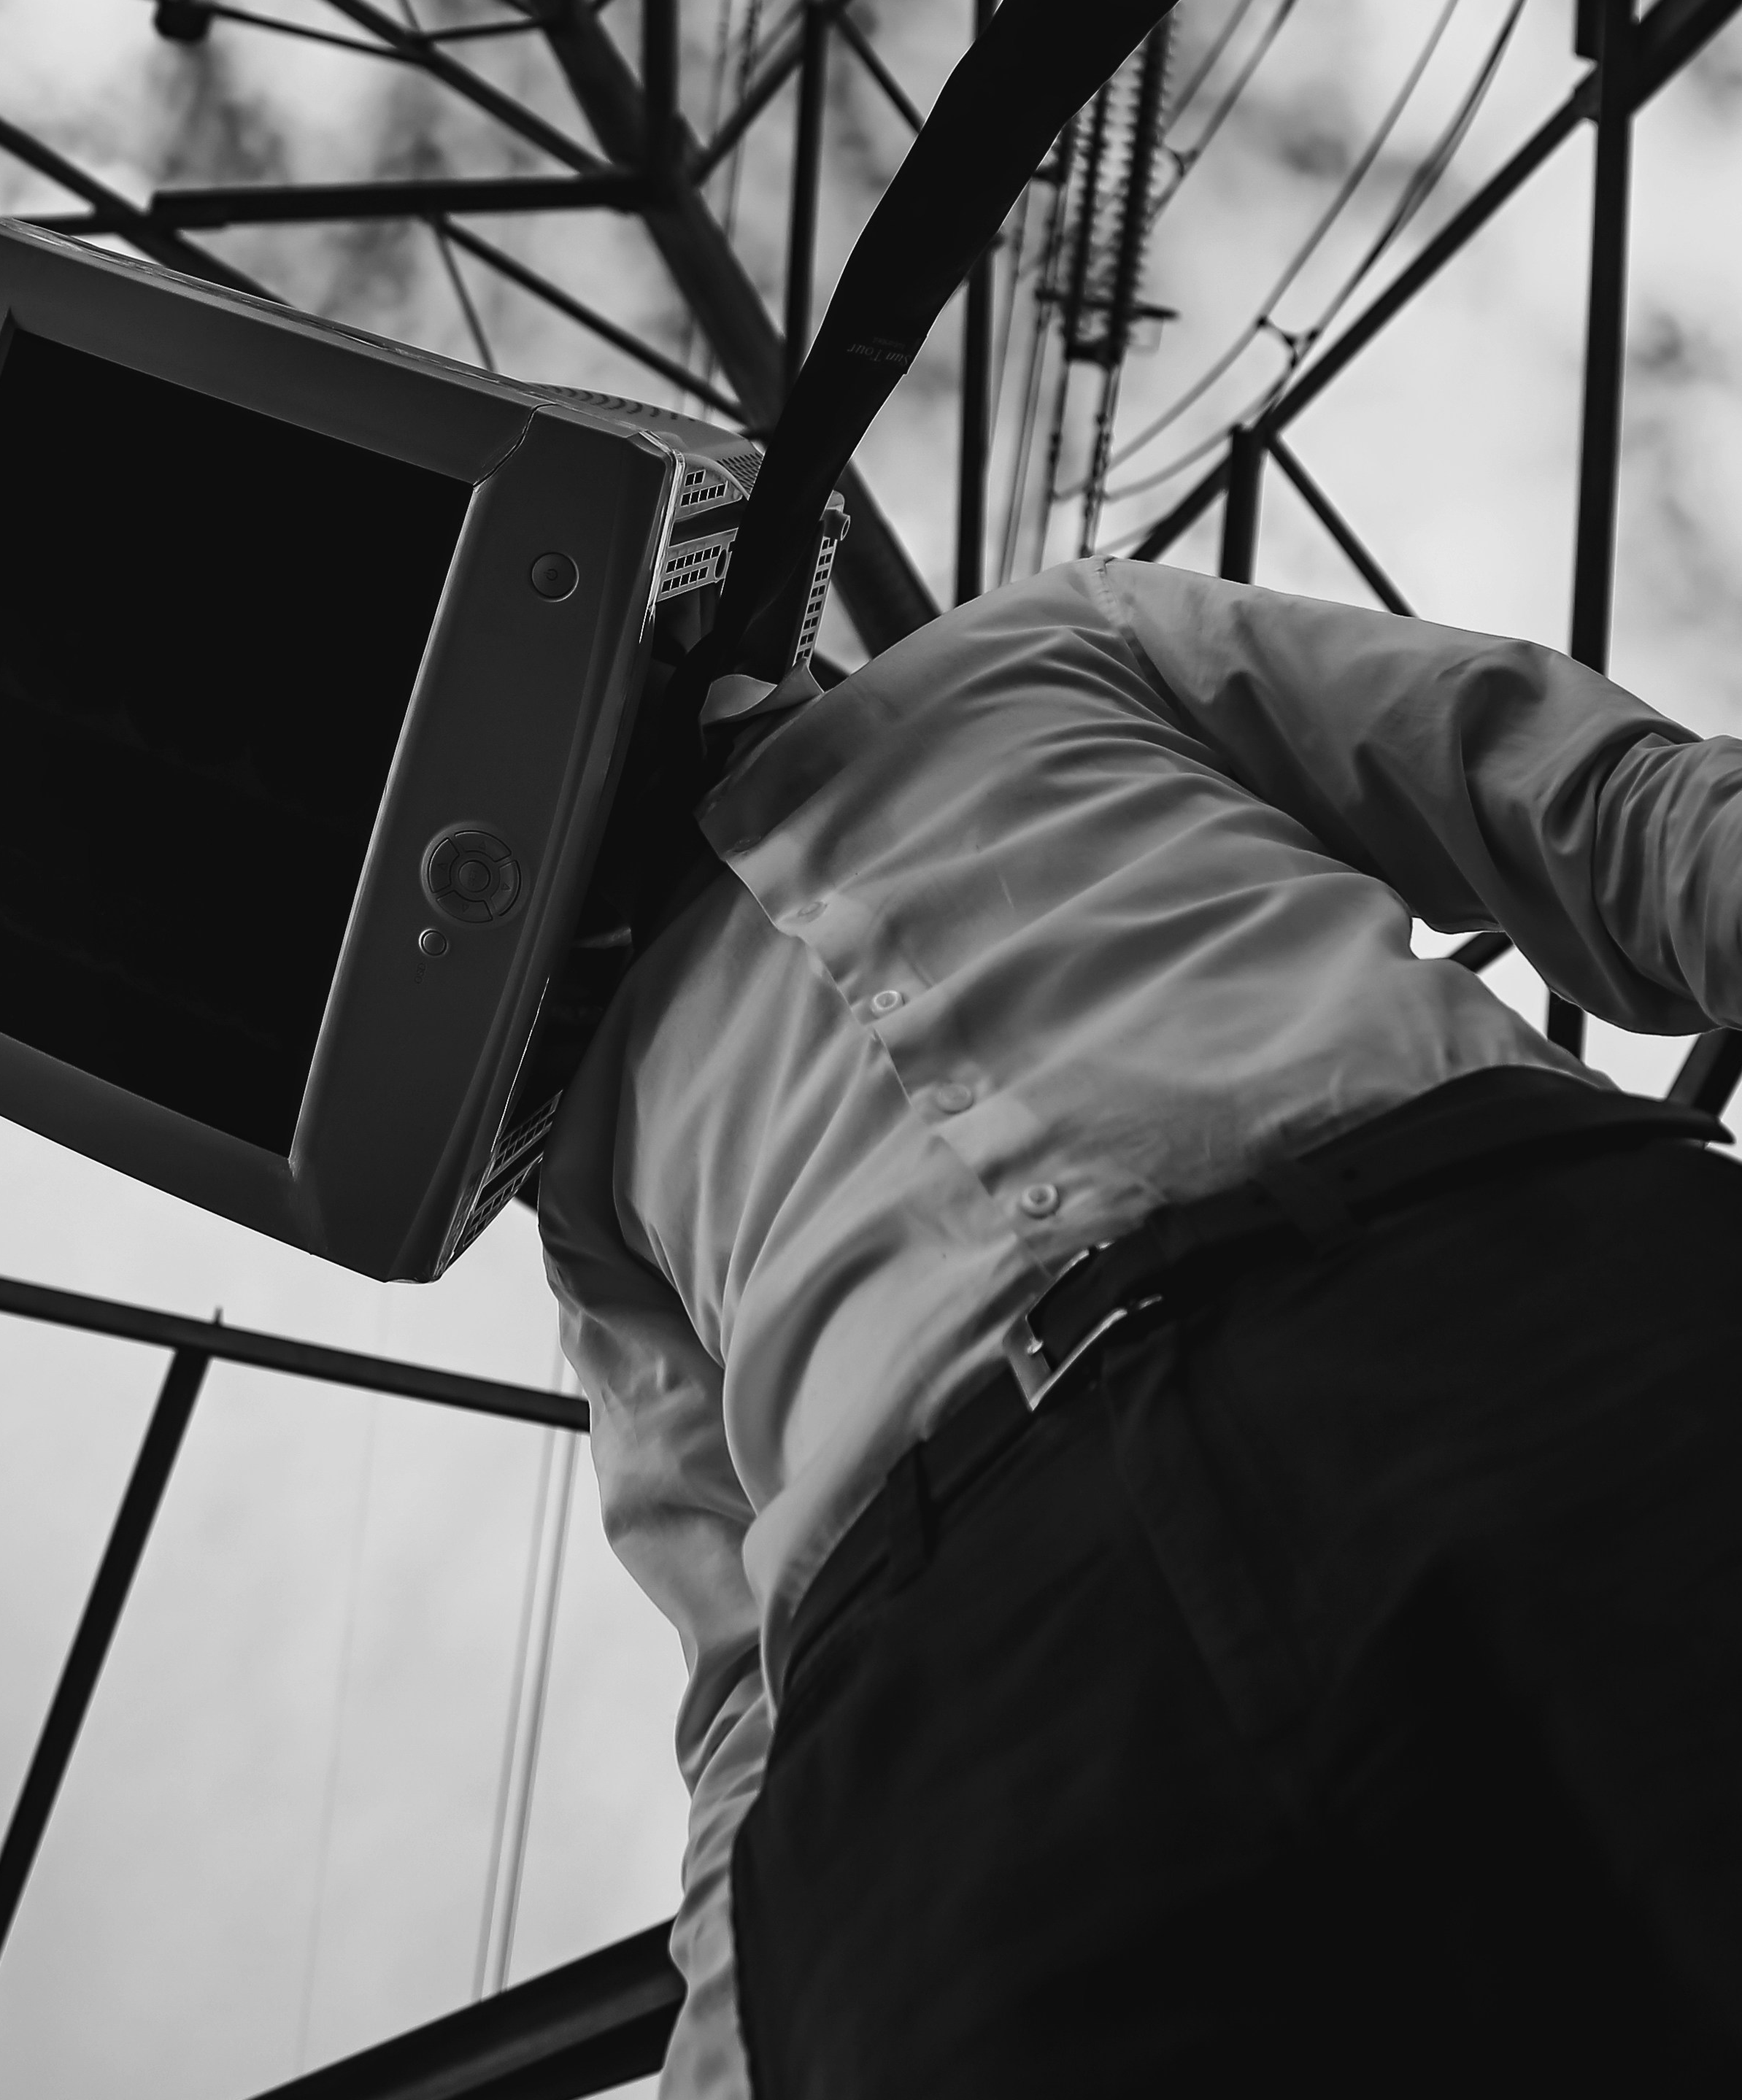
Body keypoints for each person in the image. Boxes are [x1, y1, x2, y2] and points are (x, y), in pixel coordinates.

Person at [537, 553, 1742, 2096]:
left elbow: (1602, 809)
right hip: (948, 1687)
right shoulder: (580, 1161)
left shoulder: (1056, 634)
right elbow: (733, 1684)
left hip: (1489, 1309)